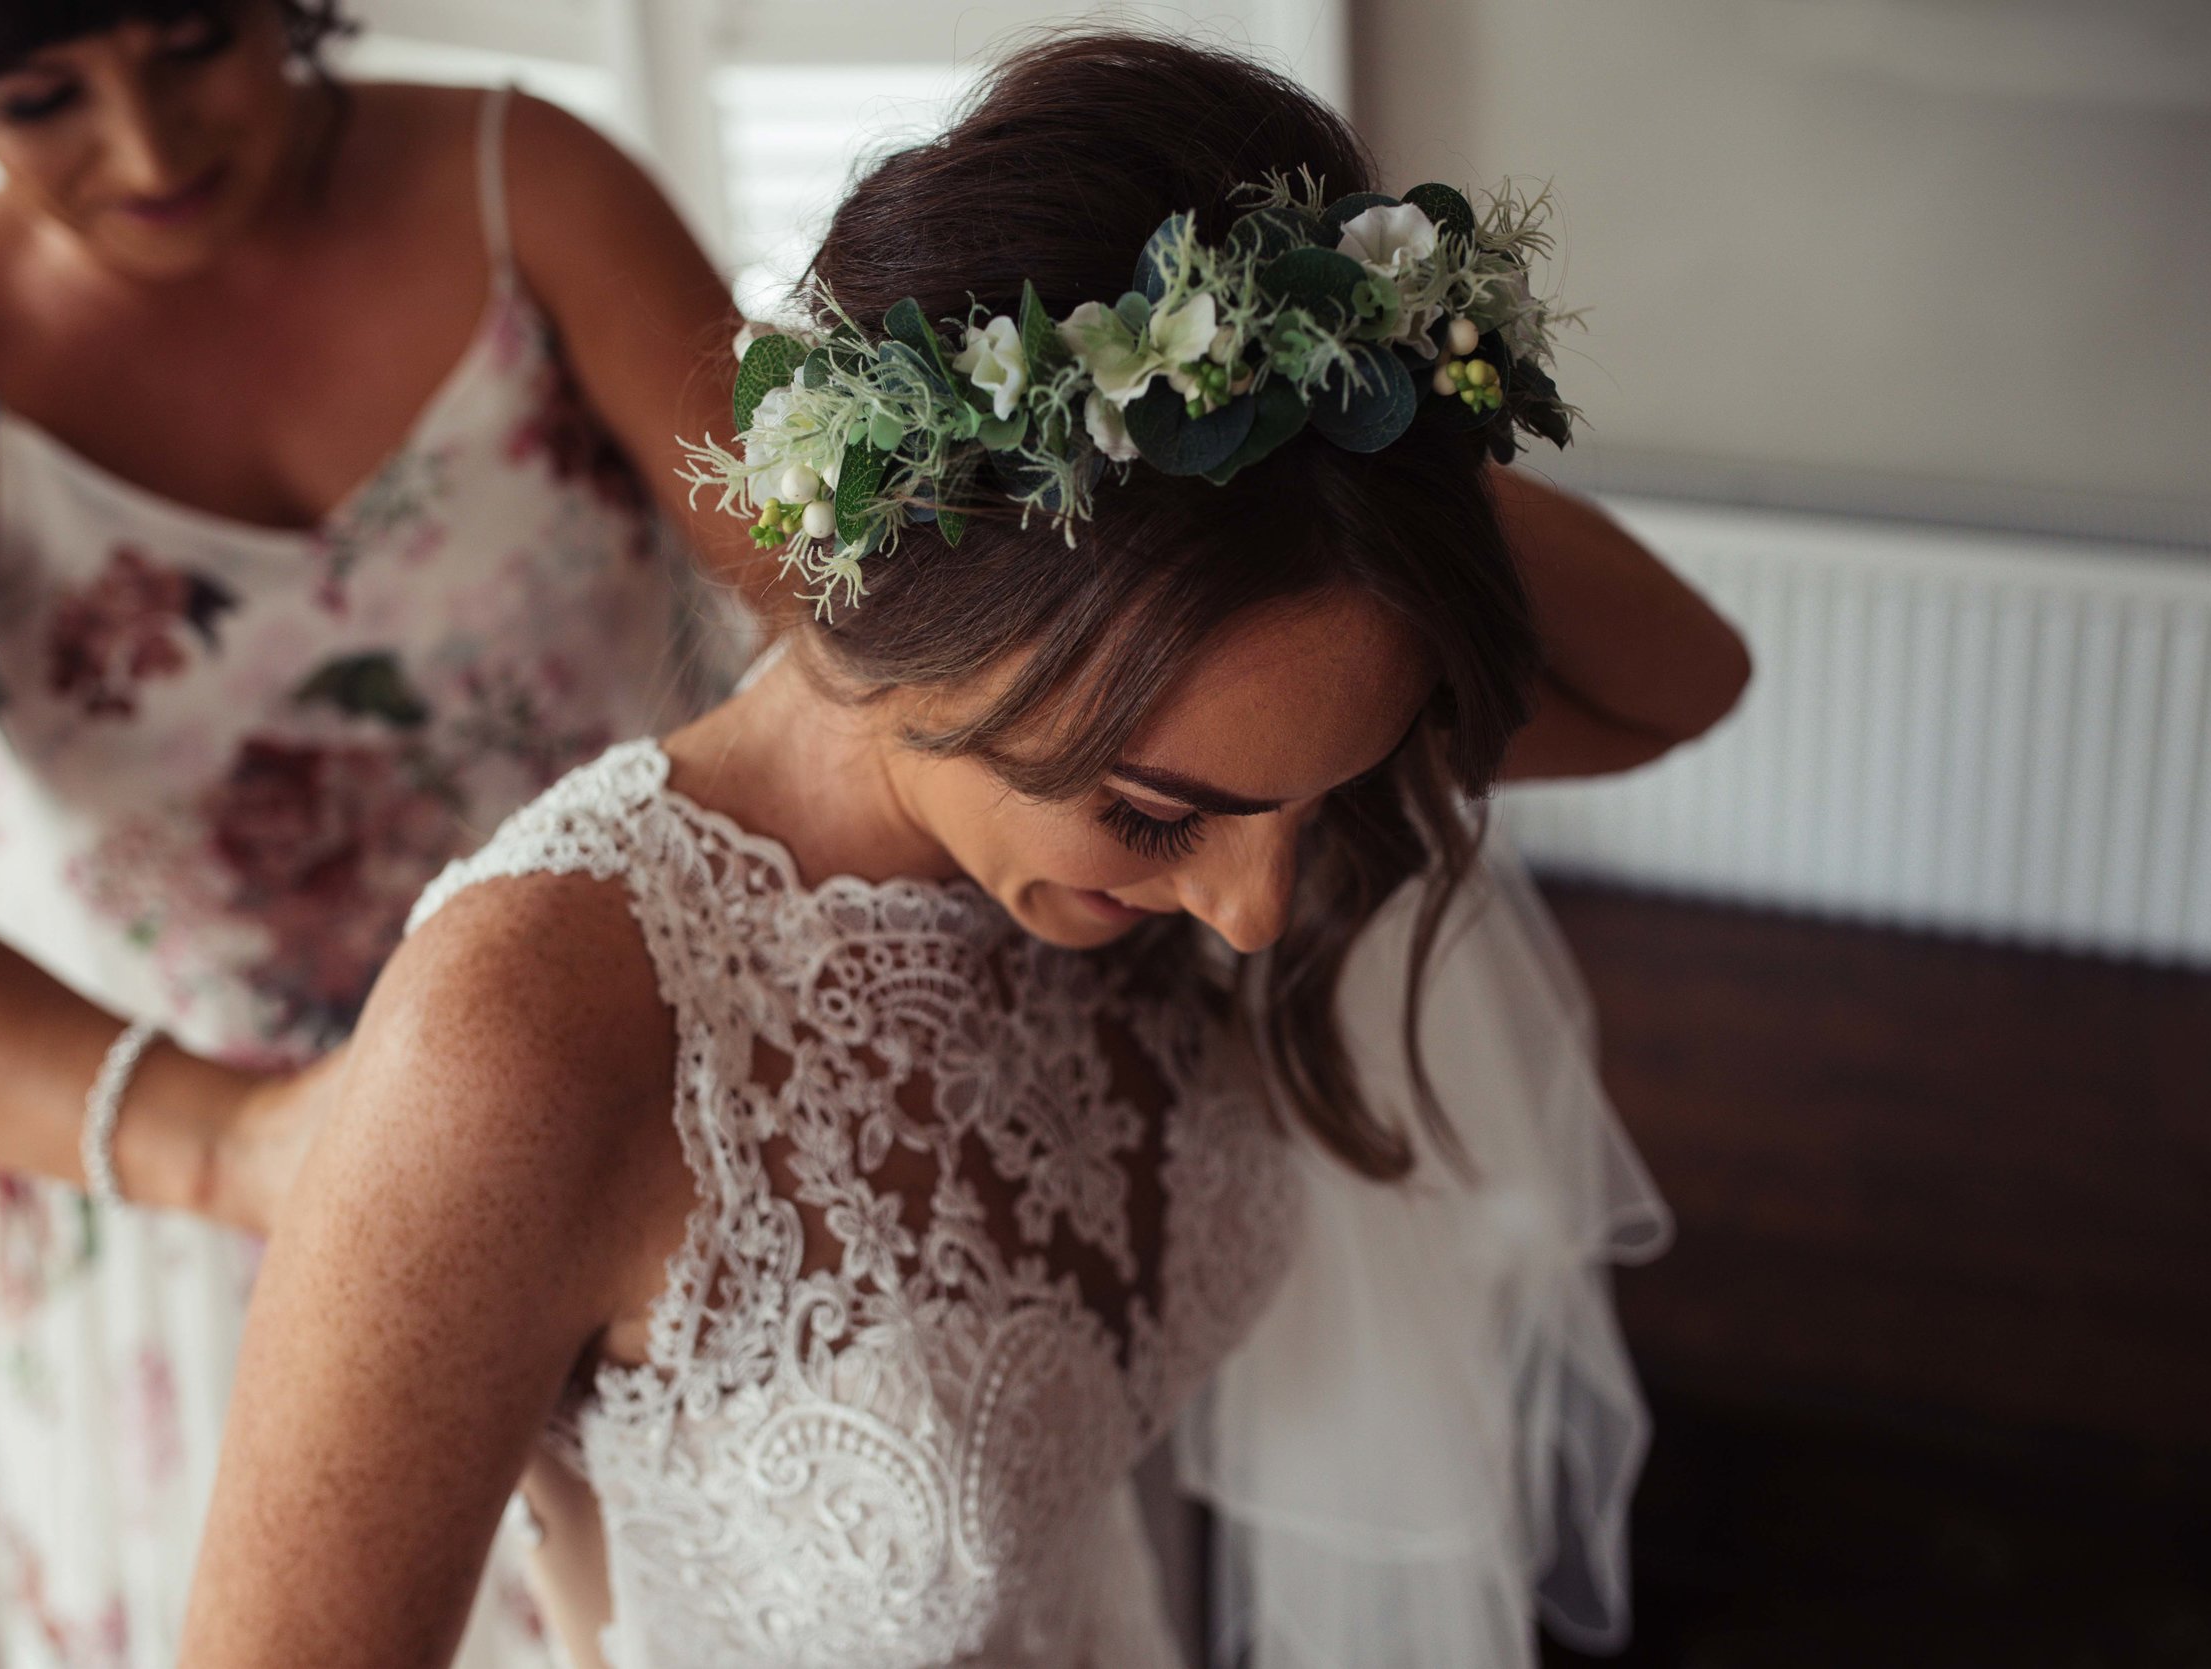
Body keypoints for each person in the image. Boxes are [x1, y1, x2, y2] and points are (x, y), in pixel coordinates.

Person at [178, 33, 1748, 1669]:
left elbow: (1684, 682)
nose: (1256, 911)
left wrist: (1367, 431)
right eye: (1158, 815)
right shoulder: (531, 1028)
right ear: (923, 609)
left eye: (1328, 797)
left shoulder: (1214, 734)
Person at [0, 2, 754, 1663]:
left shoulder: (526, 184)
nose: (152, 150)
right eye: (41, 101)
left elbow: (841, 601)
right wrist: (243, 1149)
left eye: (193, 46)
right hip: (196, 1200)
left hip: (629, 1112)